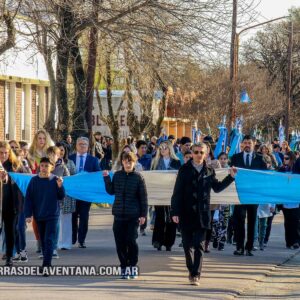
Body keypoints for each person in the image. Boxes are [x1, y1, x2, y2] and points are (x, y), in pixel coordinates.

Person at [171, 142, 236, 285]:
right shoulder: (184, 170)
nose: (199, 155)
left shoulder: (209, 171)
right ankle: (191, 269)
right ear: (192, 153)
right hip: (186, 213)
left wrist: (230, 177)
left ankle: (196, 274)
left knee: (199, 245)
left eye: (202, 152)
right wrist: (174, 212)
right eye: (196, 152)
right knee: (187, 246)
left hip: (203, 214)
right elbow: (177, 193)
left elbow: (217, 188)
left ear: (206, 154)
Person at [103, 151, 148, 279]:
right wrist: (106, 178)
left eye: (130, 161)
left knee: (131, 241)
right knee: (120, 243)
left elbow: (143, 198)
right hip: (118, 215)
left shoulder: (138, 177)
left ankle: (132, 266)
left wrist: (143, 215)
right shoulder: (117, 175)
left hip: (133, 215)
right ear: (122, 162)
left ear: (134, 163)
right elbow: (111, 191)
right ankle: (123, 267)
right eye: (125, 161)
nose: (128, 163)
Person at [24, 157, 65, 274]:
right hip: (39, 215)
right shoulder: (34, 181)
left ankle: (46, 265)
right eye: (42, 165)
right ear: (39, 167)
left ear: (51, 167)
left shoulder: (55, 180)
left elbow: (61, 196)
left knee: (49, 239)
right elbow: (28, 199)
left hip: (53, 215)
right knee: (42, 240)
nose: (44, 168)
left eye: (47, 166)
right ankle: (47, 263)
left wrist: (60, 186)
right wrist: (28, 214)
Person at [230, 135, 267, 256]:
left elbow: (264, 177)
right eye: (245, 142)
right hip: (239, 195)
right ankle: (239, 247)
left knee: (252, 221)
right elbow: (231, 175)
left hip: (253, 195)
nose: (247, 145)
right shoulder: (235, 158)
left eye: (249, 143)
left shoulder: (261, 159)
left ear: (254, 143)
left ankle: (249, 247)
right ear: (241, 144)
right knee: (239, 220)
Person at [70, 137, 101, 248]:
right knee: (72, 216)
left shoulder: (93, 160)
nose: (82, 146)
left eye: (84, 144)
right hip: (72, 193)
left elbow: (97, 175)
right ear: (76, 146)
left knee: (84, 217)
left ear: (88, 147)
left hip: (86, 194)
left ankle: (81, 240)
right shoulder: (70, 158)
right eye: (80, 144)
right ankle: (72, 238)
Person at [27, 129, 54, 254]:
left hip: (48, 187)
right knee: (36, 218)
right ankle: (39, 241)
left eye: (44, 138)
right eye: (39, 138)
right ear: (36, 140)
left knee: (50, 218)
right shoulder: (30, 154)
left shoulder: (50, 154)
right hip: (35, 186)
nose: (42, 141)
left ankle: (49, 244)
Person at [151, 141, 181, 251]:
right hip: (159, 192)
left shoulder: (176, 162)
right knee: (159, 216)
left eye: (165, 147)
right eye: (161, 148)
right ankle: (157, 241)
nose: (163, 149)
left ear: (170, 149)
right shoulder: (155, 161)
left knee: (171, 217)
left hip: (172, 193)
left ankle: (169, 242)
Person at [0, 141, 26, 266]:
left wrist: (7, 178)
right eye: (1, 153)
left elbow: (24, 180)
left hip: (11, 203)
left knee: (10, 231)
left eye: (6, 152)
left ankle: (9, 256)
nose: (4, 155)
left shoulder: (15, 165)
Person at [47, 146, 70, 258]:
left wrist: (61, 183)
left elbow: (69, 180)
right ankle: (45, 248)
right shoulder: (44, 166)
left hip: (57, 200)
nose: (52, 156)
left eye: (54, 154)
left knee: (55, 225)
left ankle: (54, 248)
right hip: (45, 200)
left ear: (58, 155)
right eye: (50, 154)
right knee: (46, 226)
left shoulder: (63, 167)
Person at [56, 142, 77, 250]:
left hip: (68, 197)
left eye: (62, 150)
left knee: (67, 221)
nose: (60, 152)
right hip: (55, 196)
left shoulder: (70, 163)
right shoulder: (51, 163)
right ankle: (56, 243)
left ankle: (66, 243)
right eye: (58, 149)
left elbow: (74, 177)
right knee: (56, 220)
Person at [278, 151, 300, 249]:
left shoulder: (297, 169)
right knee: (287, 222)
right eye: (284, 158)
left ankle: (296, 241)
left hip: (295, 200)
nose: (285, 160)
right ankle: (289, 242)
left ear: (291, 159)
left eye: (287, 158)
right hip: (285, 200)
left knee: (295, 221)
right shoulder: (281, 169)